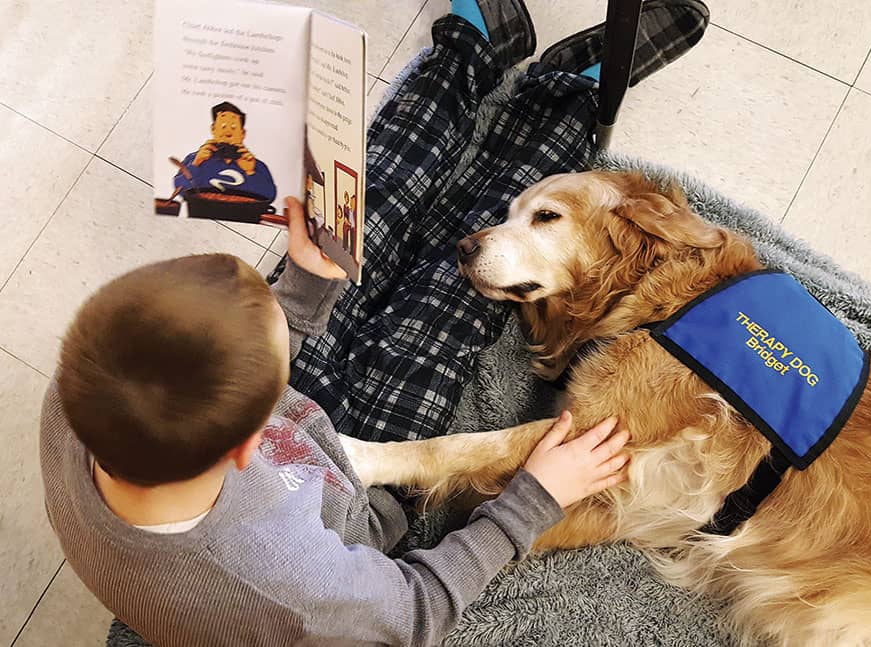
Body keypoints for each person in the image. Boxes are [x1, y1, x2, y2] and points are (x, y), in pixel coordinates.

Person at [41, 197, 629, 646]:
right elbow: (419, 609)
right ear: (258, 442)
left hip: (288, 451)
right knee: (445, 302)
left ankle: (459, 56)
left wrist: (303, 282)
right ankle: (565, 101)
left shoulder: (80, 397)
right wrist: (535, 499)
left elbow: (236, 348)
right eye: (280, 348)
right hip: (349, 510)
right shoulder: (294, 587)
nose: (284, 309)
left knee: (354, 226)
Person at [173, 101, 277, 201]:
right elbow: (181, 191)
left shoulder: (256, 166)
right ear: (213, 129)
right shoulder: (194, 159)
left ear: (243, 133)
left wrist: (250, 172)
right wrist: (196, 165)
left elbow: (268, 197)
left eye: (233, 127)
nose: (228, 132)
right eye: (223, 126)